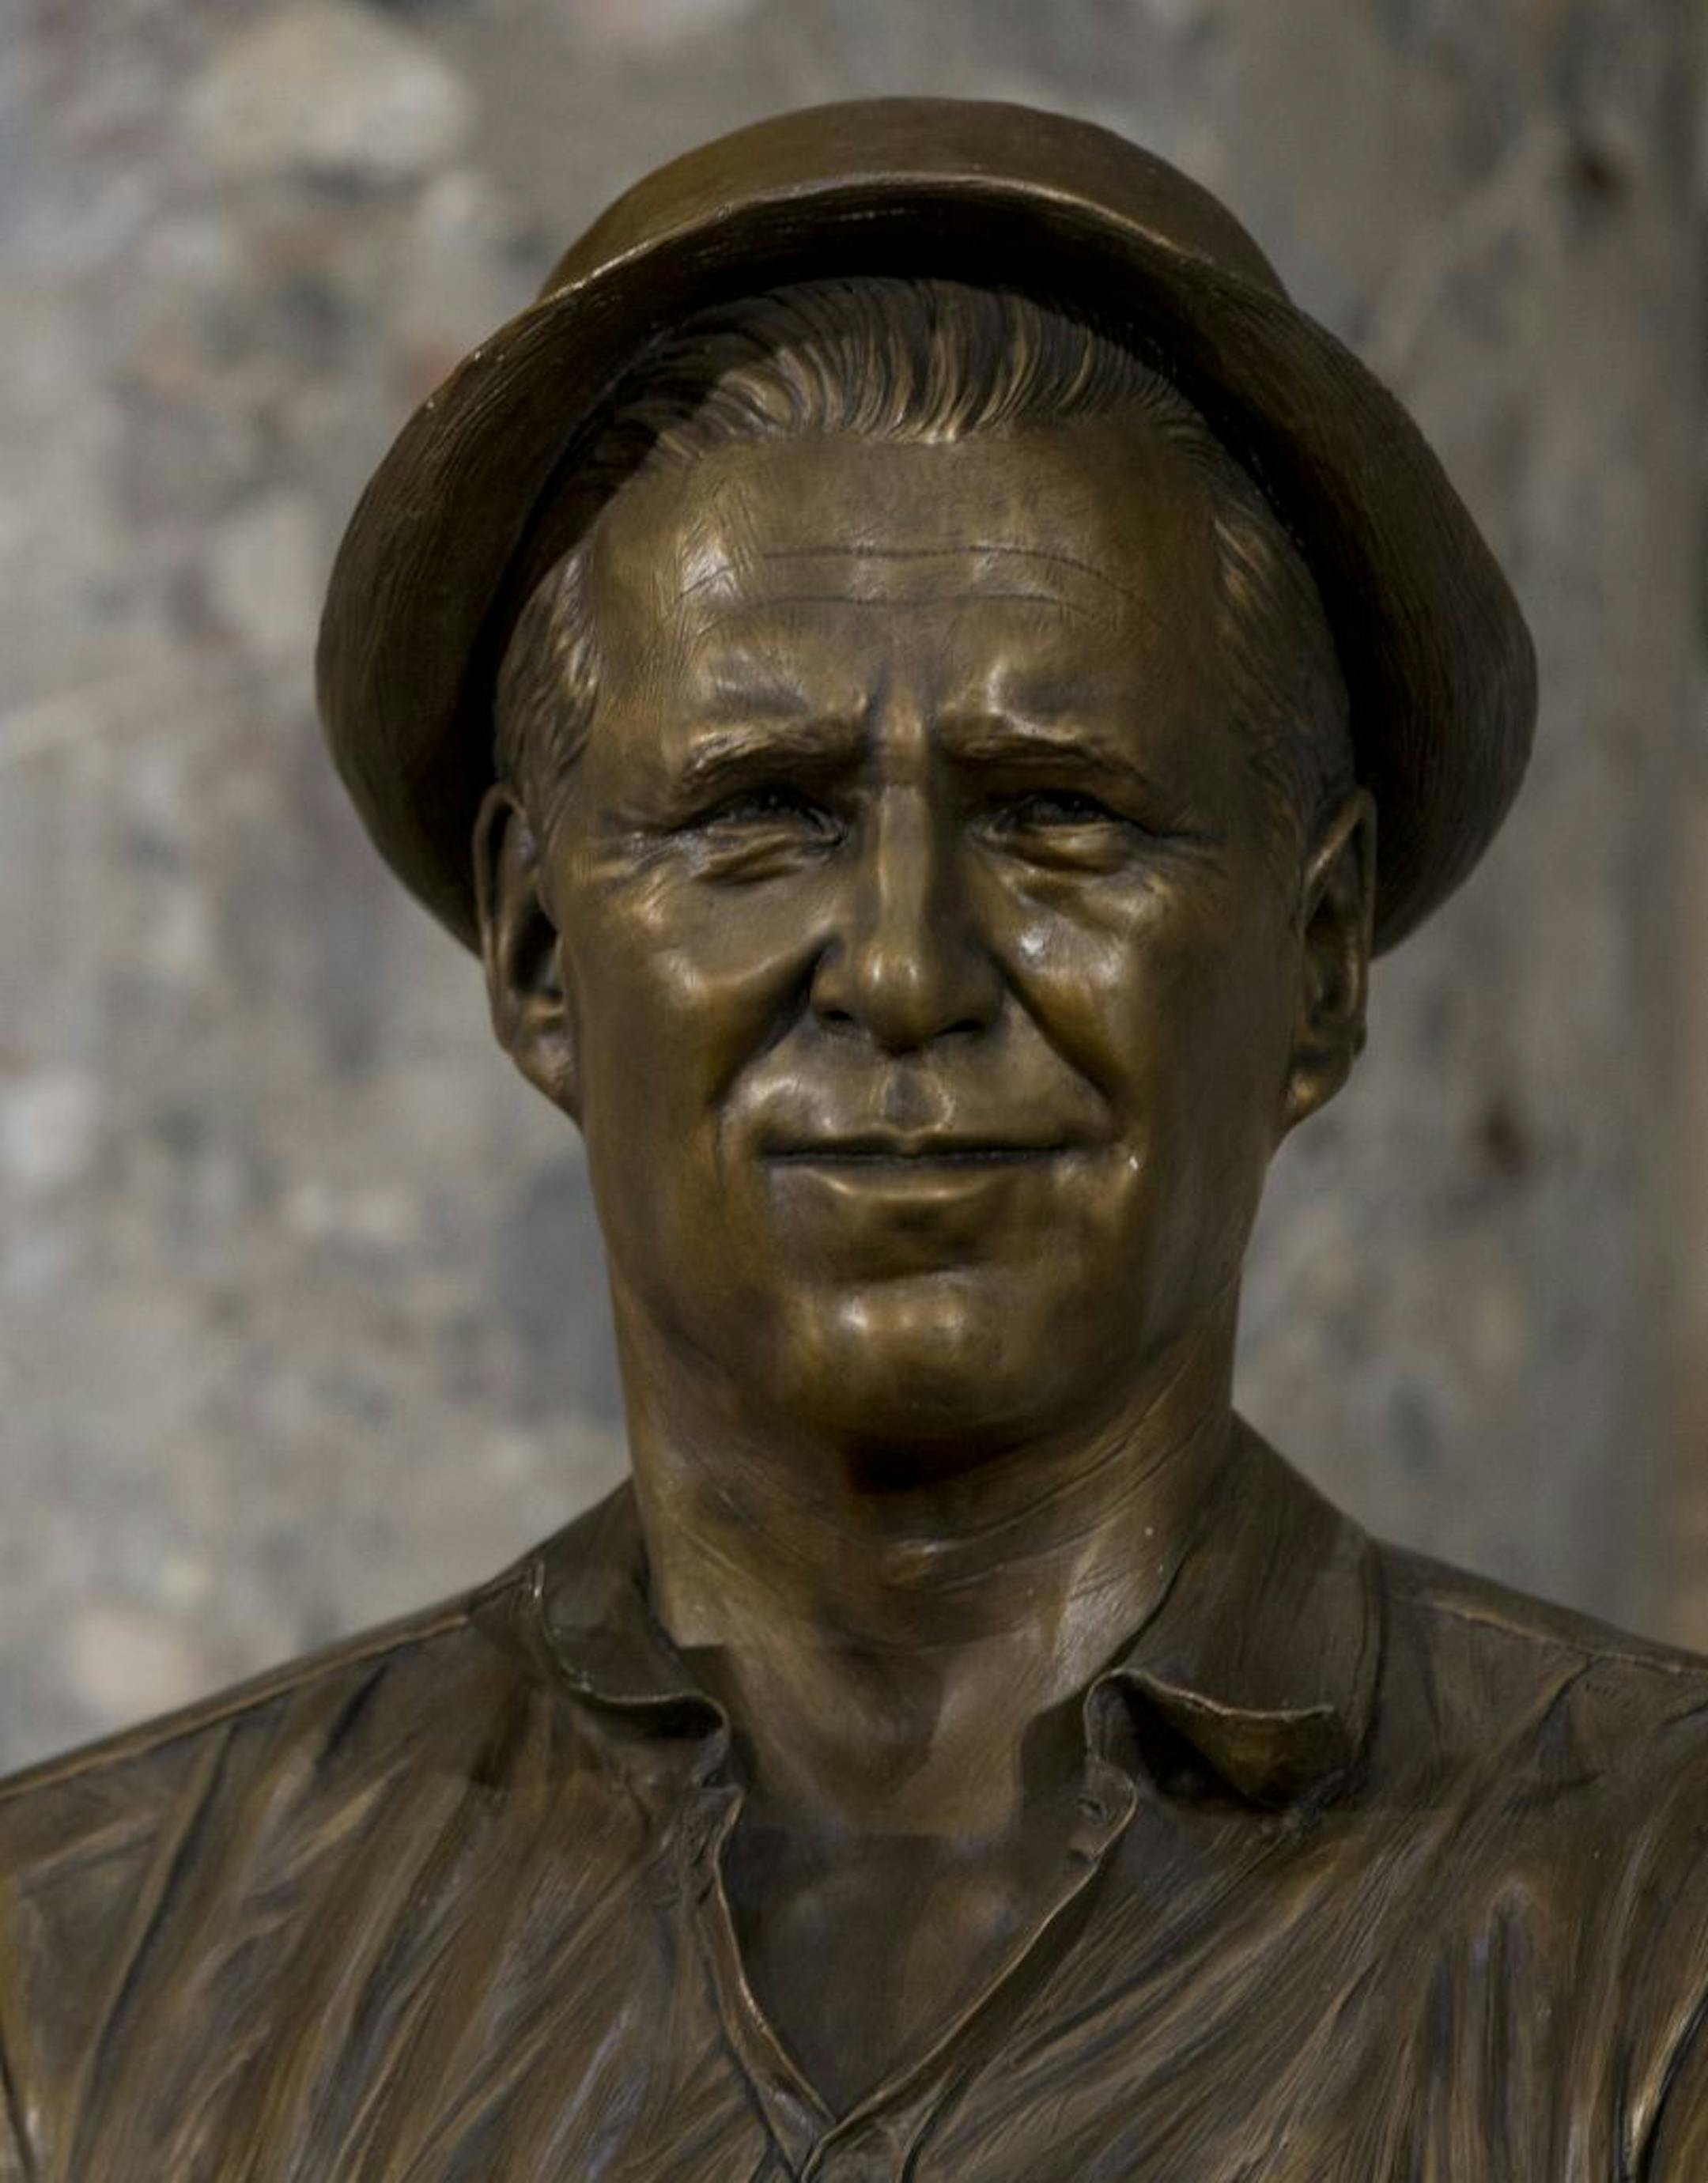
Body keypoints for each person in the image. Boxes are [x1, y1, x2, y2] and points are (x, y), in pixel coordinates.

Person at [0, 100, 1703, 2182]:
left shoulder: (1656, 1918)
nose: (905, 966)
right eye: (760, 813)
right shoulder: (79, 1979)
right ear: (543, 950)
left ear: (1320, 961)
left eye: (1058, 809)